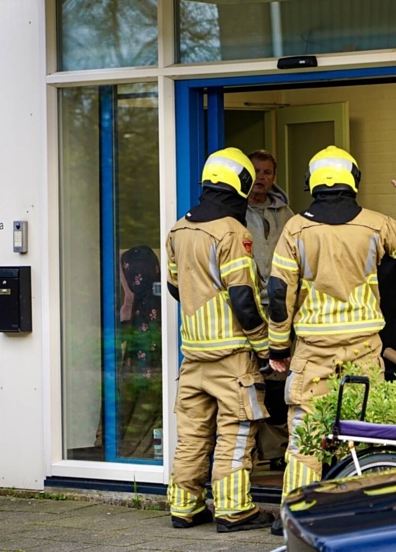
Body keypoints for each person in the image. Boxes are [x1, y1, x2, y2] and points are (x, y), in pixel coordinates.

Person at [266, 145, 396, 532]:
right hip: (363, 349)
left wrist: (277, 347)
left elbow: (278, 293)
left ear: (312, 183)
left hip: (313, 351)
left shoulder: (295, 229)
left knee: (306, 433)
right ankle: (361, 514)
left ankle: (294, 516)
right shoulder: (375, 224)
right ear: (352, 181)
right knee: (364, 432)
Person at [165, 147, 275, 533]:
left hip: (193, 356)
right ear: (241, 185)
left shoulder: (178, 228)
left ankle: (184, 507)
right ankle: (234, 510)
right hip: (232, 358)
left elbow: (174, 286)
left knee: (192, 434)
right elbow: (243, 298)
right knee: (236, 431)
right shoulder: (233, 232)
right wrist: (265, 345)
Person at [244, 149, 293, 468]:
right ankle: (257, 450)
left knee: (280, 383)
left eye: (267, 172)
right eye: (256, 172)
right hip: (246, 308)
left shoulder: (287, 213)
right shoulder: (234, 212)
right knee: (253, 383)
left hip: (282, 309)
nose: (262, 178)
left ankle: (277, 451)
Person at [116, 245, 163, 460]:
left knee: (138, 409)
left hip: (145, 372)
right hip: (154, 371)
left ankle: (133, 452)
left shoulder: (138, 305)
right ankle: (150, 451)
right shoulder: (159, 299)